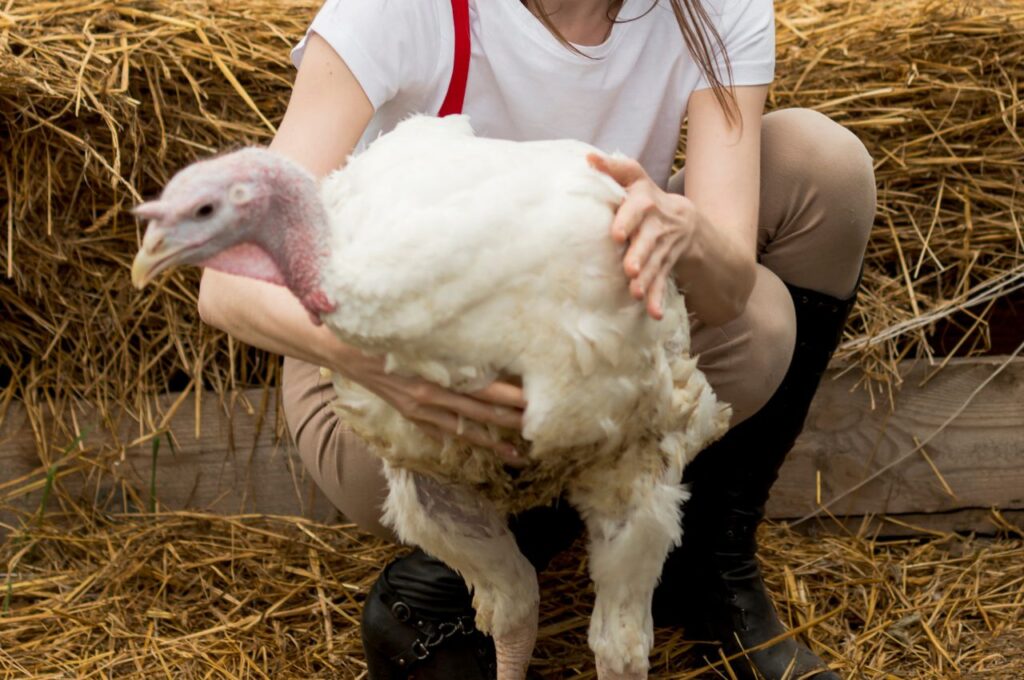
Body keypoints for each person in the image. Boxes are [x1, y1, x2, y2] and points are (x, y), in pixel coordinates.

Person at [196, 1, 876, 677]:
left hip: (587, 341)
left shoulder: (713, 8)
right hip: (400, 371)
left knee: (817, 182)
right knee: (422, 443)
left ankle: (704, 563)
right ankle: (457, 578)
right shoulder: (399, 9)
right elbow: (227, 281)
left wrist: (687, 231)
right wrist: (376, 363)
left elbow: (728, 297)